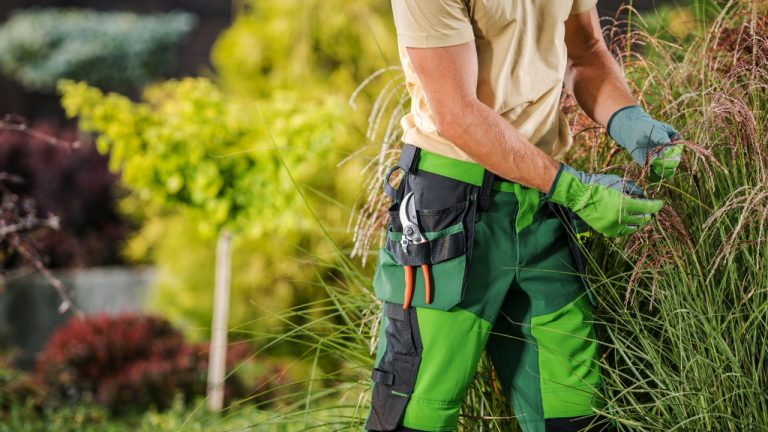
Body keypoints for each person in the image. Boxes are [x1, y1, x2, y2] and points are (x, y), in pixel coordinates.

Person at [364, 1, 682, 432]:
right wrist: (576, 190)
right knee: (418, 412)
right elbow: (456, 113)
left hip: (541, 202)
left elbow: (584, 51)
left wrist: (628, 120)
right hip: (448, 211)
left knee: (576, 412)